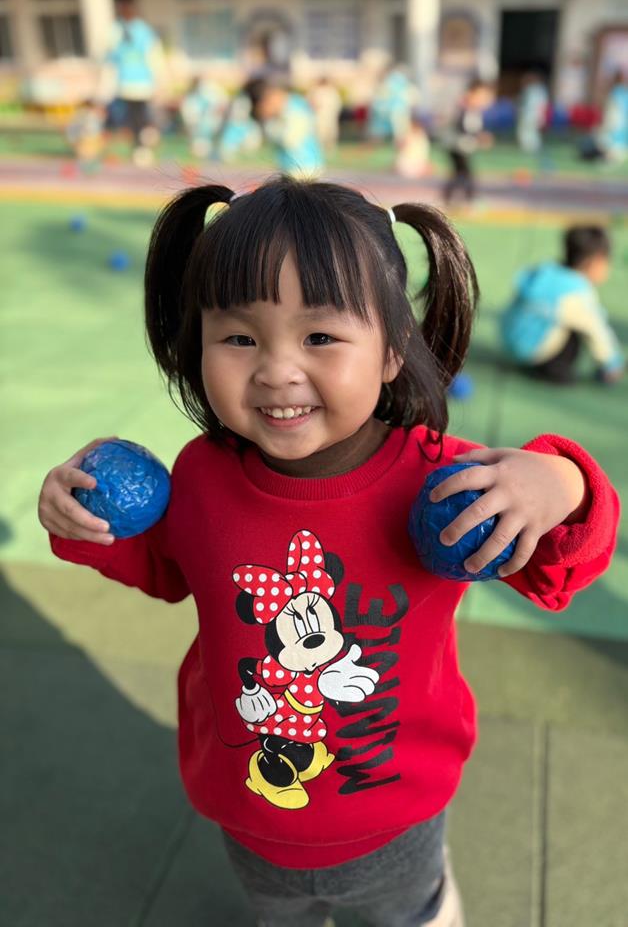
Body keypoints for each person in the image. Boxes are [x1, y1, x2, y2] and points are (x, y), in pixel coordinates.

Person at [38, 178, 619, 927]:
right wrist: (81, 515)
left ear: (391, 350)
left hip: (399, 819)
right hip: (249, 809)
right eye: (239, 337)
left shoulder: (445, 481)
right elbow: (166, 567)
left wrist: (563, 482)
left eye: (319, 337)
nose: (276, 369)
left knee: (409, 915)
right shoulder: (202, 475)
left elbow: (562, 565)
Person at [500, 224, 624, 385]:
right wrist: (612, 364)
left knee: (563, 317)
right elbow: (595, 330)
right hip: (537, 354)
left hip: (510, 343)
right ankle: (555, 371)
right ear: (594, 262)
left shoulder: (546, 270)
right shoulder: (574, 291)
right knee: (580, 327)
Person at [104, 0, 164, 166]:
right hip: (135, 83)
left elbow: (110, 59)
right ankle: (142, 145)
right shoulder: (133, 30)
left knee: (136, 117)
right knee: (139, 116)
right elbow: (154, 57)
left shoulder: (125, 30)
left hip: (133, 83)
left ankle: (141, 146)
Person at [246, 78, 324, 176]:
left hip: (305, 168)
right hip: (288, 167)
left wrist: (270, 126)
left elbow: (290, 139)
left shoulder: (295, 108)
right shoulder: (283, 111)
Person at [441, 79, 494, 205]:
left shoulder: (472, 109)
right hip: (456, 146)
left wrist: (479, 136)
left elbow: (473, 127)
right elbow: (463, 127)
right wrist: (479, 137)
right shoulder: (464, 107)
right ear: (471, 94)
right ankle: (468, 198)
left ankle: (452, 197)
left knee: (461, 173)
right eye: (481, 96)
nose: (483, 100)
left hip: (462, 146)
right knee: (465, 173)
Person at [516, 71, 549, 155]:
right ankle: (531, 148)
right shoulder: (537, 90)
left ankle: (532, 149)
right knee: (528, 133)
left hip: (532, 115)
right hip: (532, 115)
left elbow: (542, 105)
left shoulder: (535, 90)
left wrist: (542, 117)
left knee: (529, 133)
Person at [308, 77, 343, 152]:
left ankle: (330, 149)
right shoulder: (315, 90)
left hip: (330, 116)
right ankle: (318, 149)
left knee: (330, 134)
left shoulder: (332, 91)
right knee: (319, 134)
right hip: (319, 117)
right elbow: (310, 102)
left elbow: (337, 104)